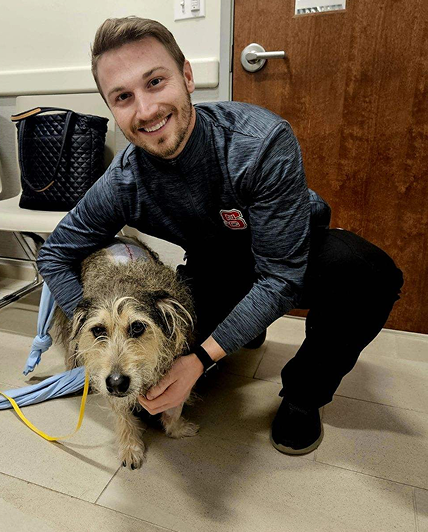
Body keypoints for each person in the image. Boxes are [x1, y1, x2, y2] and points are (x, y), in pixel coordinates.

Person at [37, 16, 403, 455]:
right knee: (145, 405)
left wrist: (199, 360)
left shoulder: (259, 142)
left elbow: (279, 279)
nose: (147, 109)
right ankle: (245, 329)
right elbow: (55, 254)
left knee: (367, 274)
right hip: (216, 267)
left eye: (155, 82)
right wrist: (87, 318)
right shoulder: (123, 182)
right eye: (123, 97)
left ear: (187, 76)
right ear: (112, 109)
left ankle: (304, 397)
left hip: (291, 256)